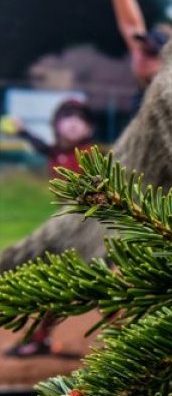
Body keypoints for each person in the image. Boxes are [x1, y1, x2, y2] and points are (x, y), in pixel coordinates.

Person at [2, 99, 96, 356]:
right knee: (58, 285)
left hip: (89, 232)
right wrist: (22, 131)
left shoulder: (89, 153)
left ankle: (138, 347)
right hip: (66, 232)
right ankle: (40, 338)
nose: (74, 123)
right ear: (56, 125)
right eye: (67, 117)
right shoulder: (57, 153)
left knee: (99, 288)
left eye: (81, 118)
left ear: (89, 128)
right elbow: (42, 146)